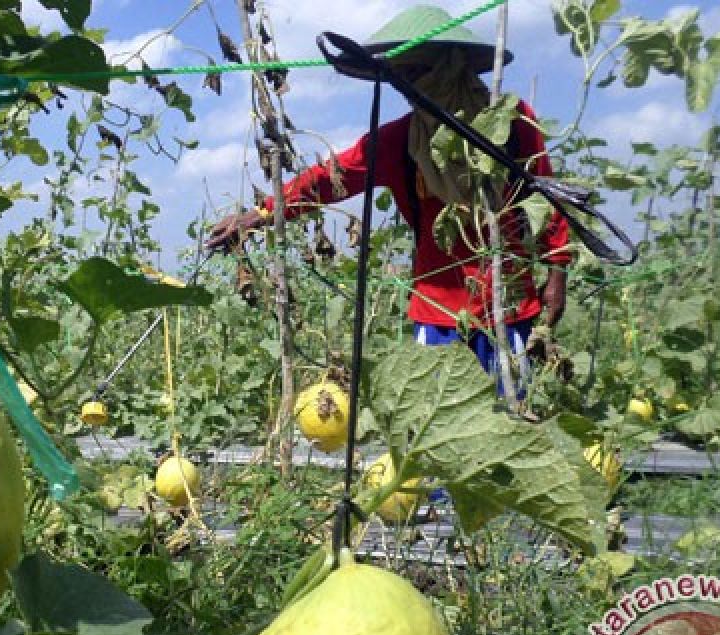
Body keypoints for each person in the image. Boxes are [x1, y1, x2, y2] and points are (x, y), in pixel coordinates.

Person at [205, 5, 572, 395]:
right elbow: (329, 179)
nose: (411, 87)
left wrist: (557, 272)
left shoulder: (511, 125)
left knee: (511, 426)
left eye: (420, 72)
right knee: (433, 430)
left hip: (510, 304)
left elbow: (545, 198)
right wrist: (261, 213)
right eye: (404, 77)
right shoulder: (400, 143)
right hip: (438, 312)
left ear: (451, 66)